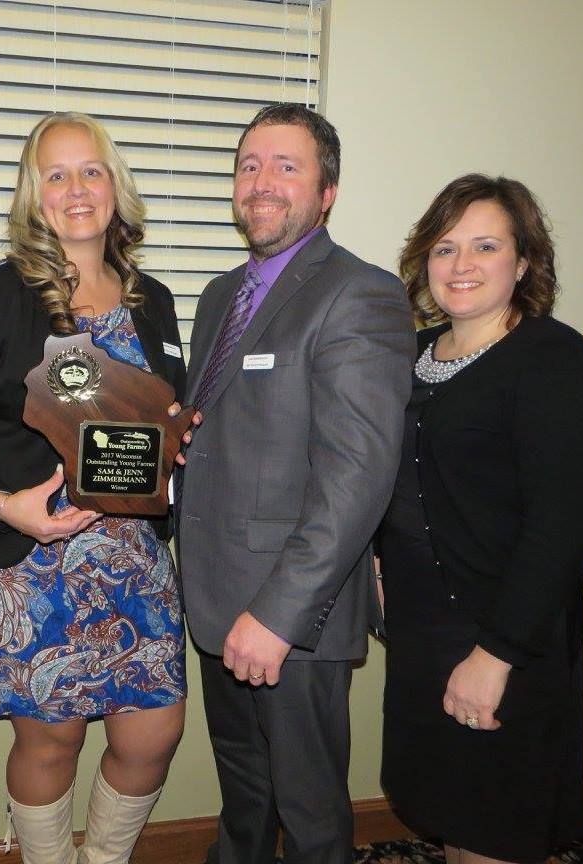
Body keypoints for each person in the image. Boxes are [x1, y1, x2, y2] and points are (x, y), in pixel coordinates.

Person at [0, 112, 187, 864]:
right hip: (30, 560)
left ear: (116, 186)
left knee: (154, 732)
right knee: (52, 741)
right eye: (57, 174)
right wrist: (4, 507)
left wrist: (179, 440)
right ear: (33, 195)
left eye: (92, 170)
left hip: (135, 557)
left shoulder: (153, 299)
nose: (77, 188)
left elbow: (162, 416)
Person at [173, 103, 415, 864]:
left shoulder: (360, 294)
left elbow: (358, 474)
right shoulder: (221, 296)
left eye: (286, 165)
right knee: (245, 801)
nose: (262, 182)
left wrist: (277, 617)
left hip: (292, 617)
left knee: (310, 818)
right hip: (217, 598)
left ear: (327, 190)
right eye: (249, 165)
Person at [379, 174, 583, 864]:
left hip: (503, 639)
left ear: (523, 262)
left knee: (494, 830)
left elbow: (563, 526)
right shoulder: (415, 354)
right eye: (445, 248)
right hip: (422, 636)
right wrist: (379, 560)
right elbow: (404, 476)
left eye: (485, 246)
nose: (461, 265)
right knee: (450, 817)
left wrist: (495, 656)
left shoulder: (553, 359)